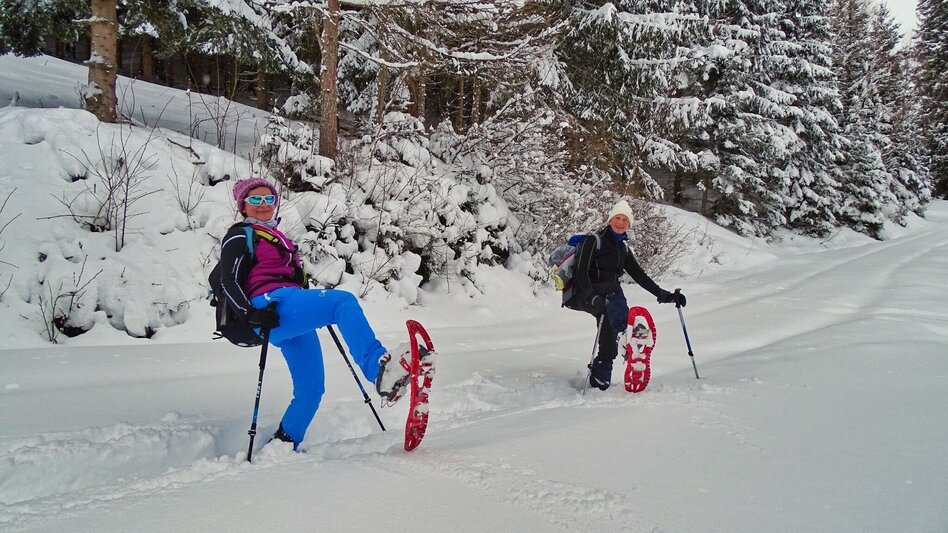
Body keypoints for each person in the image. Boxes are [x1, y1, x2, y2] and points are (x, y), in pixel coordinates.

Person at [217, 177, 412, 450]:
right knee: (341, 303)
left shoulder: (277, 237)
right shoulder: (240, 234)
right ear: (243, 205)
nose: (263, 205)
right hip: (268, 306)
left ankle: (283, 444)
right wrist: (250, 313)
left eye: (268, 199)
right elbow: (229, 280)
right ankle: (379, 371)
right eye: (255, 199)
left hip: (284, 309)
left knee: (311, 390)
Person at [570, 199, 687, 391]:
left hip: (608, 302)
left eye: (625, 219)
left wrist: (665, 295)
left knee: (608, 335)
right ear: (610, 220)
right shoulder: (594, 241)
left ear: (629, 224)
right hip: (584, 294)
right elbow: (581, 272)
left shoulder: (623, 249)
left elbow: (640, 276)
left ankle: (599, 381)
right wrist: (591, 296)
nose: (621, 222)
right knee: (613, 290)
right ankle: (627, 334)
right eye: (617, 217)